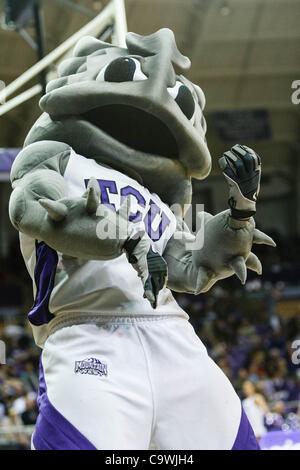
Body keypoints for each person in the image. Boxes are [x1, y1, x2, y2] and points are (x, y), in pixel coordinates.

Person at [8, 29, 275, 450]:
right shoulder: (56, 158)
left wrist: (241, 210)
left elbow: (190, 266)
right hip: (89, 333)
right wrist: (128, 237)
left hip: (172, 334)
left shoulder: (155, 196)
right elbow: (36, 209)